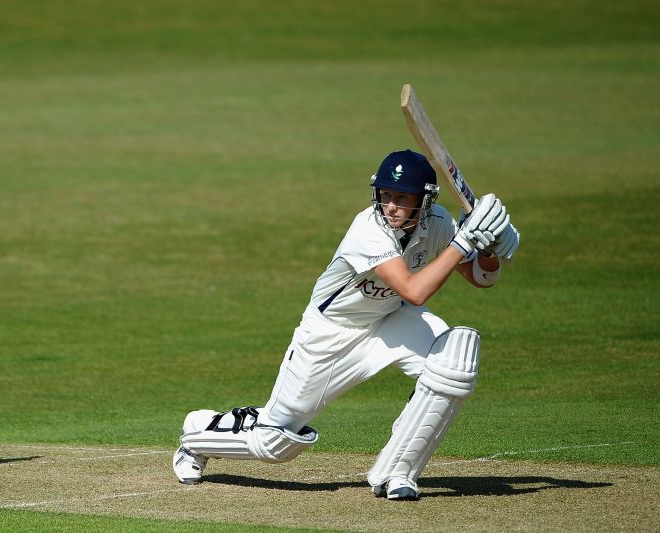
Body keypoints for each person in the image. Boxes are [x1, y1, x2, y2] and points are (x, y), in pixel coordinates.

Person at [172, 149, 520, 501]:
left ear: (424, 199)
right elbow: (416, 292)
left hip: (388, 320)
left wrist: (488, 248)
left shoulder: (439, 223)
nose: (392, 206)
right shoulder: (368, 230)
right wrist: (465, 241)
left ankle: (398, 472)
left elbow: (482, 277)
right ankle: (196, 437)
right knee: (274, 442)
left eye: (402, 197)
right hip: (330, 334)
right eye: (386, 195)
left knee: (454, 362)